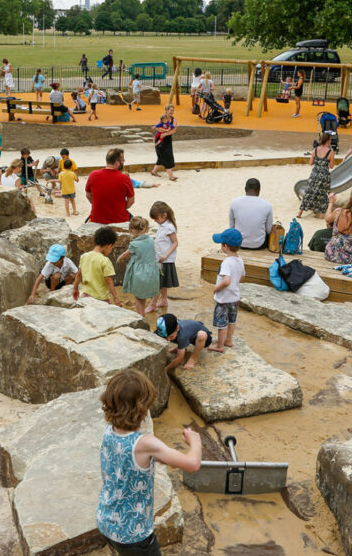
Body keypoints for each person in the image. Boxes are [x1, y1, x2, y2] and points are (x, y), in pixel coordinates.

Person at [96, 369, 201, 553]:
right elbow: (192, 464)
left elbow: (133, 461)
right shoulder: (144, 444)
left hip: (107, 520)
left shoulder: (109, 430)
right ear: (143, 407)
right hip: (133, 534)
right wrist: (195, 441)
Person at [209, 228, 244, 352]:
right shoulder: (240, 261)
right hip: (234, 297)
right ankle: (229, 340)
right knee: (232, 320)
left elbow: (226, 281)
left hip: (223, 298)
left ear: (225, 246)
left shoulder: (226, 263)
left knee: (222, 323)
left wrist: (216, 288)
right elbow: (242, 275)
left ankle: (220, 346)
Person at [118, 217, 158, 316]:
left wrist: (119, 259)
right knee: (144, 296)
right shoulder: (152, 240)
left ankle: (141, 315)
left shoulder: (134, 244)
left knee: (138, 297)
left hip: (140, 274)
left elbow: (124, 254)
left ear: (134, 230)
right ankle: (144, 311)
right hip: (152, 272)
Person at [73, 226, 122, 305]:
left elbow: (79, 274)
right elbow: (108, 280)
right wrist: (116, 297)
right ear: (109, 246)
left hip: (86, 295)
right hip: (101, 298)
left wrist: (75, 289)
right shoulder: (105, 261)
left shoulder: (84, 256)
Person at [86, 148, 135, 225]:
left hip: (97, 218)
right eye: (123, 160)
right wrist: (119, 208)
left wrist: (99, 205)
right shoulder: (125, 178)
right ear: (117, 163)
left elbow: (88, 195)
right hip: (119, 219)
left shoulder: (93, 175)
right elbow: (131, 201)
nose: (123, 162)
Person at [149, 201, 179, 313]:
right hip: (160, 258)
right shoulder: (162, 225)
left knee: (158, 283)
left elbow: (175, 243)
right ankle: (164, 300)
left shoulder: (169, 227)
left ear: (164, 215)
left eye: (156, 218)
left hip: (165, 259)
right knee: (164, 282)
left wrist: (166, 255)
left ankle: (152, 304)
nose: (155, 221)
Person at [228, 178, 274, 250]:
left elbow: (232, 227)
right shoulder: (267, 205)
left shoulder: (234, 202)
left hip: (238, 243)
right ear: (259, 190)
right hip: (259, 245)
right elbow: (268, 230)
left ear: (245, 189)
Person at [324, 190, 352, 263]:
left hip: (330, 253)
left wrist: (331, 202)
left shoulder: (339, 212)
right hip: (347, 259)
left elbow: (327, 218)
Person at [298, 133, 335, 217]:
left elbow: (310, 163)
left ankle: (300, 213)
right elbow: (332, 166)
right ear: (328, 140)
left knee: (308, 192)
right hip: (324, 175)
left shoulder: (315, 149)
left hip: (314, 174)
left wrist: (318, 162)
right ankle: (321, 215)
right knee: (323, 194)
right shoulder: (331, 151)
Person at [150, 105, 178, 181]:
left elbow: (174, 130)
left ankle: (154, 171)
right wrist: (165, 131)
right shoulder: (162, 118)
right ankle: (171, 176)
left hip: (168, 139)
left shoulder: (174, 119)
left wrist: (166, 133)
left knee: (164, 157)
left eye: (173, 110)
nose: (172, 112)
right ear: (166, 110)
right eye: (170, 110)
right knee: (165, 157)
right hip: (160, 139)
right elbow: (157, 127)